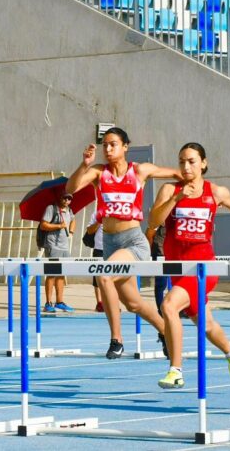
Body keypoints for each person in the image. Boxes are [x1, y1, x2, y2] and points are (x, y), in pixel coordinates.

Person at [149, 142, 230, 388]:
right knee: (206, 325)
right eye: (182, 162)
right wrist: (176, 198)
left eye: (191, 161)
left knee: (169, 305)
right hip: (178, 268)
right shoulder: (169, 189)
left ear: (203, 163)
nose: (186, 167)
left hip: (204, 267)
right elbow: (154, 221)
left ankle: (176, 370)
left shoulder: (215, 192)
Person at [66, 127, 181, 359]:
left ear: (125, 146)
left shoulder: (139, 170)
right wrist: (84, 164)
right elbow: (70, 189)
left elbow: (179, 174)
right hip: (110, 243)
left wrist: (197, 191)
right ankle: (165, 331)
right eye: (105, 145)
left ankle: (116, 339)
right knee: (134, 304)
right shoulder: (99, 172)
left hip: (134, 242)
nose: (108, 149)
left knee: (104, 276)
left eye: (113, 144)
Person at [40, 193, 76, 313]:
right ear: (60, 198)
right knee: (51, 274)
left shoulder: (69, 210)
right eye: (65, 198)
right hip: (53, 246)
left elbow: (73, 220)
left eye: (69, 199)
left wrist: (71, 232)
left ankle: (59, 302)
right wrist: (59, 226)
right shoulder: (51, 208)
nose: (67, 200)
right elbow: (43, 225)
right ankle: (48, 303)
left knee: (61, 274)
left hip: (64, 247)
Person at [145, 225, 169, 315]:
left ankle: (181, 308)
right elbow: (149, 235)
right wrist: (150, 254)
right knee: (161, 283)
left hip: (174, 254)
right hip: (160, 255)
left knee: (178, 283)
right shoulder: (158, 220)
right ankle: (161, 310)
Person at [86, 216, 105, 312]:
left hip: (113, 248)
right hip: (99, 249)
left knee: (113, 277)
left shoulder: (117, 211)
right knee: (97, 277)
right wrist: (98, 222)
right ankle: (99, 303)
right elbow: (89, 231)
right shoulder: (97, 214)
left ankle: (111, 302)